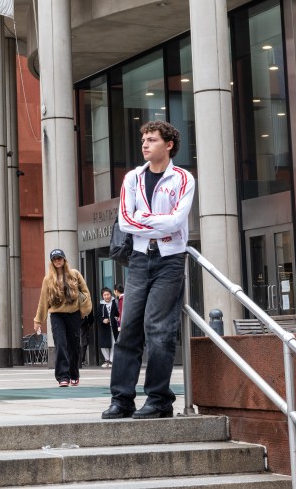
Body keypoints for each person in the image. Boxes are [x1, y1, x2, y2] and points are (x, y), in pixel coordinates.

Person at [103, 120, 195, 421]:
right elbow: (126, 222)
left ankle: (159, 399)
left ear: (168, 145)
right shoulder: (132, 178)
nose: (145, 144)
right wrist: (157, 222)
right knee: (128, 328)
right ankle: (122, 399)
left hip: (170, 260)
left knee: (159, 330)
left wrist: (147, 219)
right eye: (144, 138)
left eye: (152, 139)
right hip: (140, 260)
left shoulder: (183, 178)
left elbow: (176, 222)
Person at [33, 249, 92, 387]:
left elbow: (86, 292)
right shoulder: (48, 279)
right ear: (52, 262)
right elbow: (43, 300)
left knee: (74, 345)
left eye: (60, 258)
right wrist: (38, 320)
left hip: (74, 314)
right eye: (55, 259)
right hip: (57, 315)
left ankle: (74, 373)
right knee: (60, 344)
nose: (57, 261)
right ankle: (62, 376)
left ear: (64, 259)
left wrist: (84, 310)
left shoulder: (75, 274)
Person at [97, 288, 114, 368]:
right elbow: (97, 316)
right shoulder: (100, 305)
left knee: (114, 343)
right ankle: (106, 359)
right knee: (104, 344)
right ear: (102, 296)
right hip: (104, 327)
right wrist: (103, 320)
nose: (107, 296)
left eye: (108, 294)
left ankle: (111, 361)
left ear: (111, 294)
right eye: (105, 295)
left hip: (114, 327)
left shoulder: (115, 303)